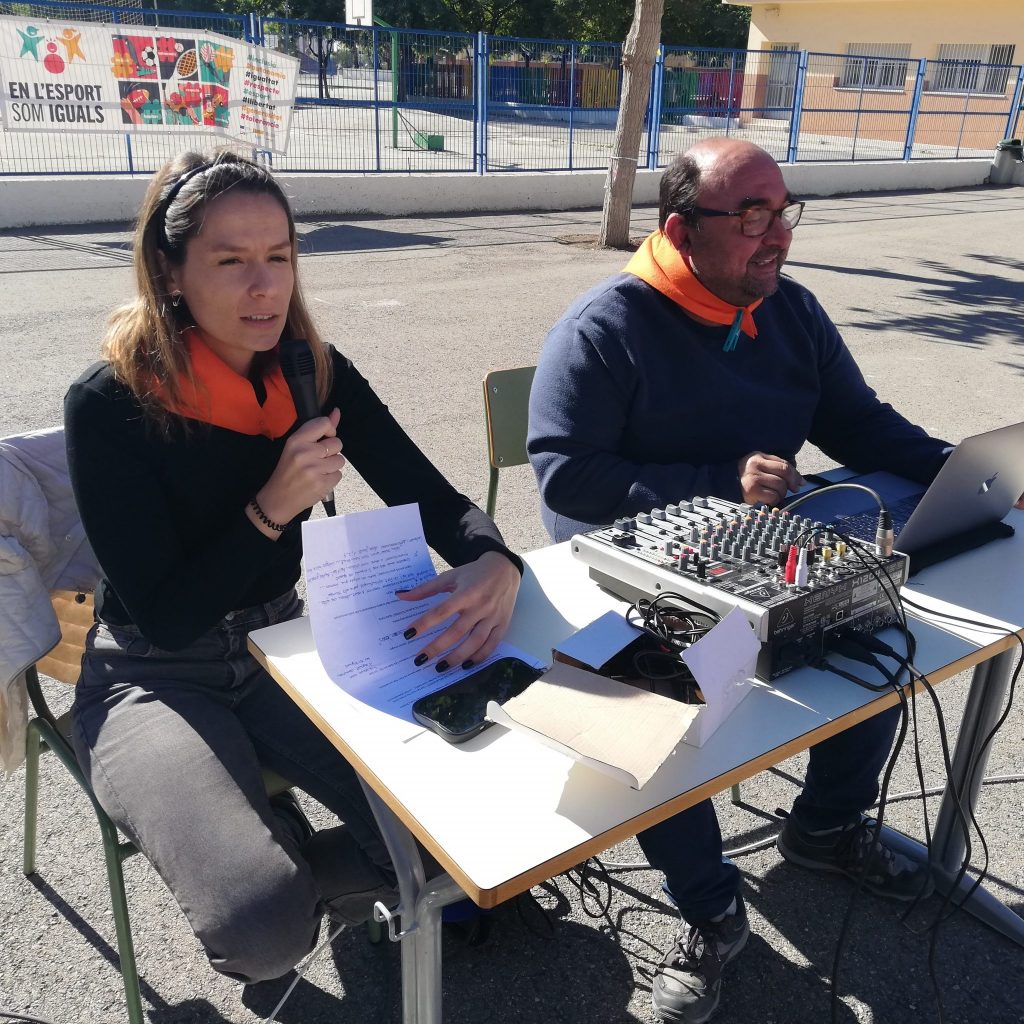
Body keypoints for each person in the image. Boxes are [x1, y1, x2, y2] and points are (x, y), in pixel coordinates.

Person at [65, 150, 522, 986]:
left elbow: (431, 495)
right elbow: (164, 614)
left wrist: (495, 560)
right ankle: (274, 859)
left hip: (286, 644)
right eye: (230, 261)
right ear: (169, 272)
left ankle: (289, 845)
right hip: (152, 672)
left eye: (278, 257)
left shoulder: (313, 371)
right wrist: (270, 507)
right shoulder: (112, 402)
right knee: (263, 932)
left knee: (476, 836)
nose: (263, 286)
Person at [528, 138, 956, 1024]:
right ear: (682, 229)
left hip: (764, 541)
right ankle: (710, 911)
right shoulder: (606, 326)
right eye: (752, 216)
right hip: (637, 558)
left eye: (783, 211)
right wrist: (719, 482)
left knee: (878, 630)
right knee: (646, 702)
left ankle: (824, 828)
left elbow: (861, 424)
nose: (778, 235)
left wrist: (964, 470)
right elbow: (567, 480)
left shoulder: (788, 309)